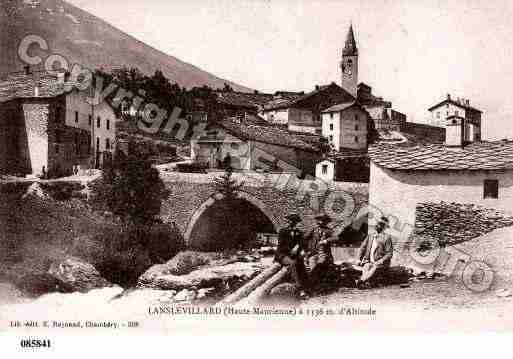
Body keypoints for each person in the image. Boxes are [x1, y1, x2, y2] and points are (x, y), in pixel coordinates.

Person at [274, 214, 309, 297]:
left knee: (301, 265)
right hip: (282, 255)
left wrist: (301, 249)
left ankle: (307, 287)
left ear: (295, 222)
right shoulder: (282, 231)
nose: (288, 223)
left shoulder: (299, 232)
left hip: (294, 255)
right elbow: (281, 246)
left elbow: (303, 243)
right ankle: (300, 289)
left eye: (291, 221)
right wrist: (291, 250)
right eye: (288, 221)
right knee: (292, 264)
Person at [355, 216, 393, 288]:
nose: (377, 225)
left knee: (374, 267)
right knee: (366, 266)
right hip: (369, 261)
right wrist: (358, 259)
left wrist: (380, 261)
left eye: (380, 224)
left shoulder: (387, 237)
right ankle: (365, 282)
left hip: (381, 264)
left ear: (384, 227)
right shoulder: (370, 236)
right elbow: (362, 248)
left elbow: (389, 253)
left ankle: (360, 281)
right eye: (377, 223)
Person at [304, 214, 336, 288]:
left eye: (322, 220)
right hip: (313, 253)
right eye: (319, 219)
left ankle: (316, 284)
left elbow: (336, 238)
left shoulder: (329, 230)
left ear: (326, 221)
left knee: (320, 264)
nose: (320, 221)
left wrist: (326, 241)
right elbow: (304, 238)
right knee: (312, 265)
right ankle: (312, 284)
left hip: (324, 253)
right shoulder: (313, 229)